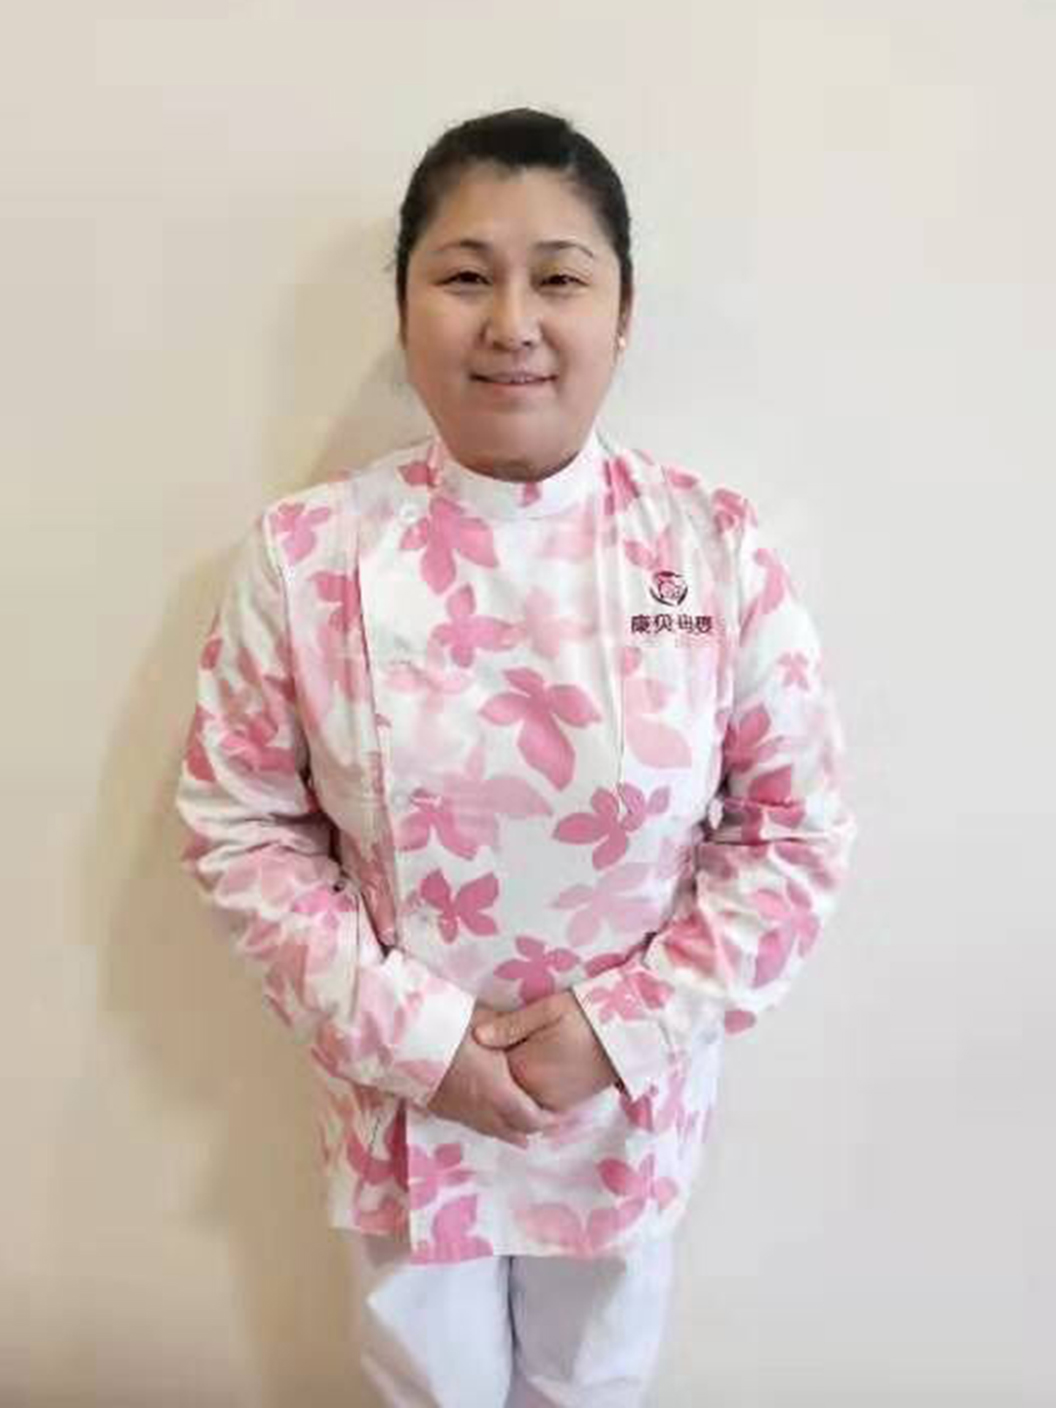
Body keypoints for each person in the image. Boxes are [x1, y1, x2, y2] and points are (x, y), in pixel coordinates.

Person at [175, 107, 856, 1408]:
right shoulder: (309, 555)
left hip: (625, 1106)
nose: (512, 323)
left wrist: (620, 1028)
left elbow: (795, 833)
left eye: (558, 278)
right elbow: (238, 825)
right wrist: (423, 1040)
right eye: (464, 276)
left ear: (623, 311)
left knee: (593, 1387)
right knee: (422, 1389)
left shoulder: (709, 547)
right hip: (401, 1097)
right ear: (403, 309)